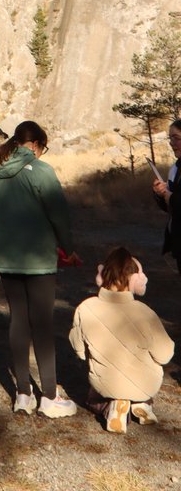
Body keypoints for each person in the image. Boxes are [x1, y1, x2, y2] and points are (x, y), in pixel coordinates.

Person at [0, 119, 80, 418]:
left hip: (7, 256)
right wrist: (68, 247)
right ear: (36, 145)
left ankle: (23, 394)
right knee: (42, 324)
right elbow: (60, 215)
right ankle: (50, 397)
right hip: (39, 259)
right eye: (44, 147)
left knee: (18, 320)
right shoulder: (42, 171)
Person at [69, 246, 174, 433]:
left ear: (102, 276)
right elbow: (164, 355)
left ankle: (112, 406)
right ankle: (142, 403)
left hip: (106, 383)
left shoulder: (85, 308)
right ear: (134, 281)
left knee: (94, 397)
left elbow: (79, 351)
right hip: (144, 384)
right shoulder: (146, 313)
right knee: (142, 384)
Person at [152, 119, 181, 273]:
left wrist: (172, 197)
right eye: (170, 138)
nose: (172, 143)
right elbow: (169, 206)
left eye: (176, 138)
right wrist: (160, 194)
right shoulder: (175, 169)